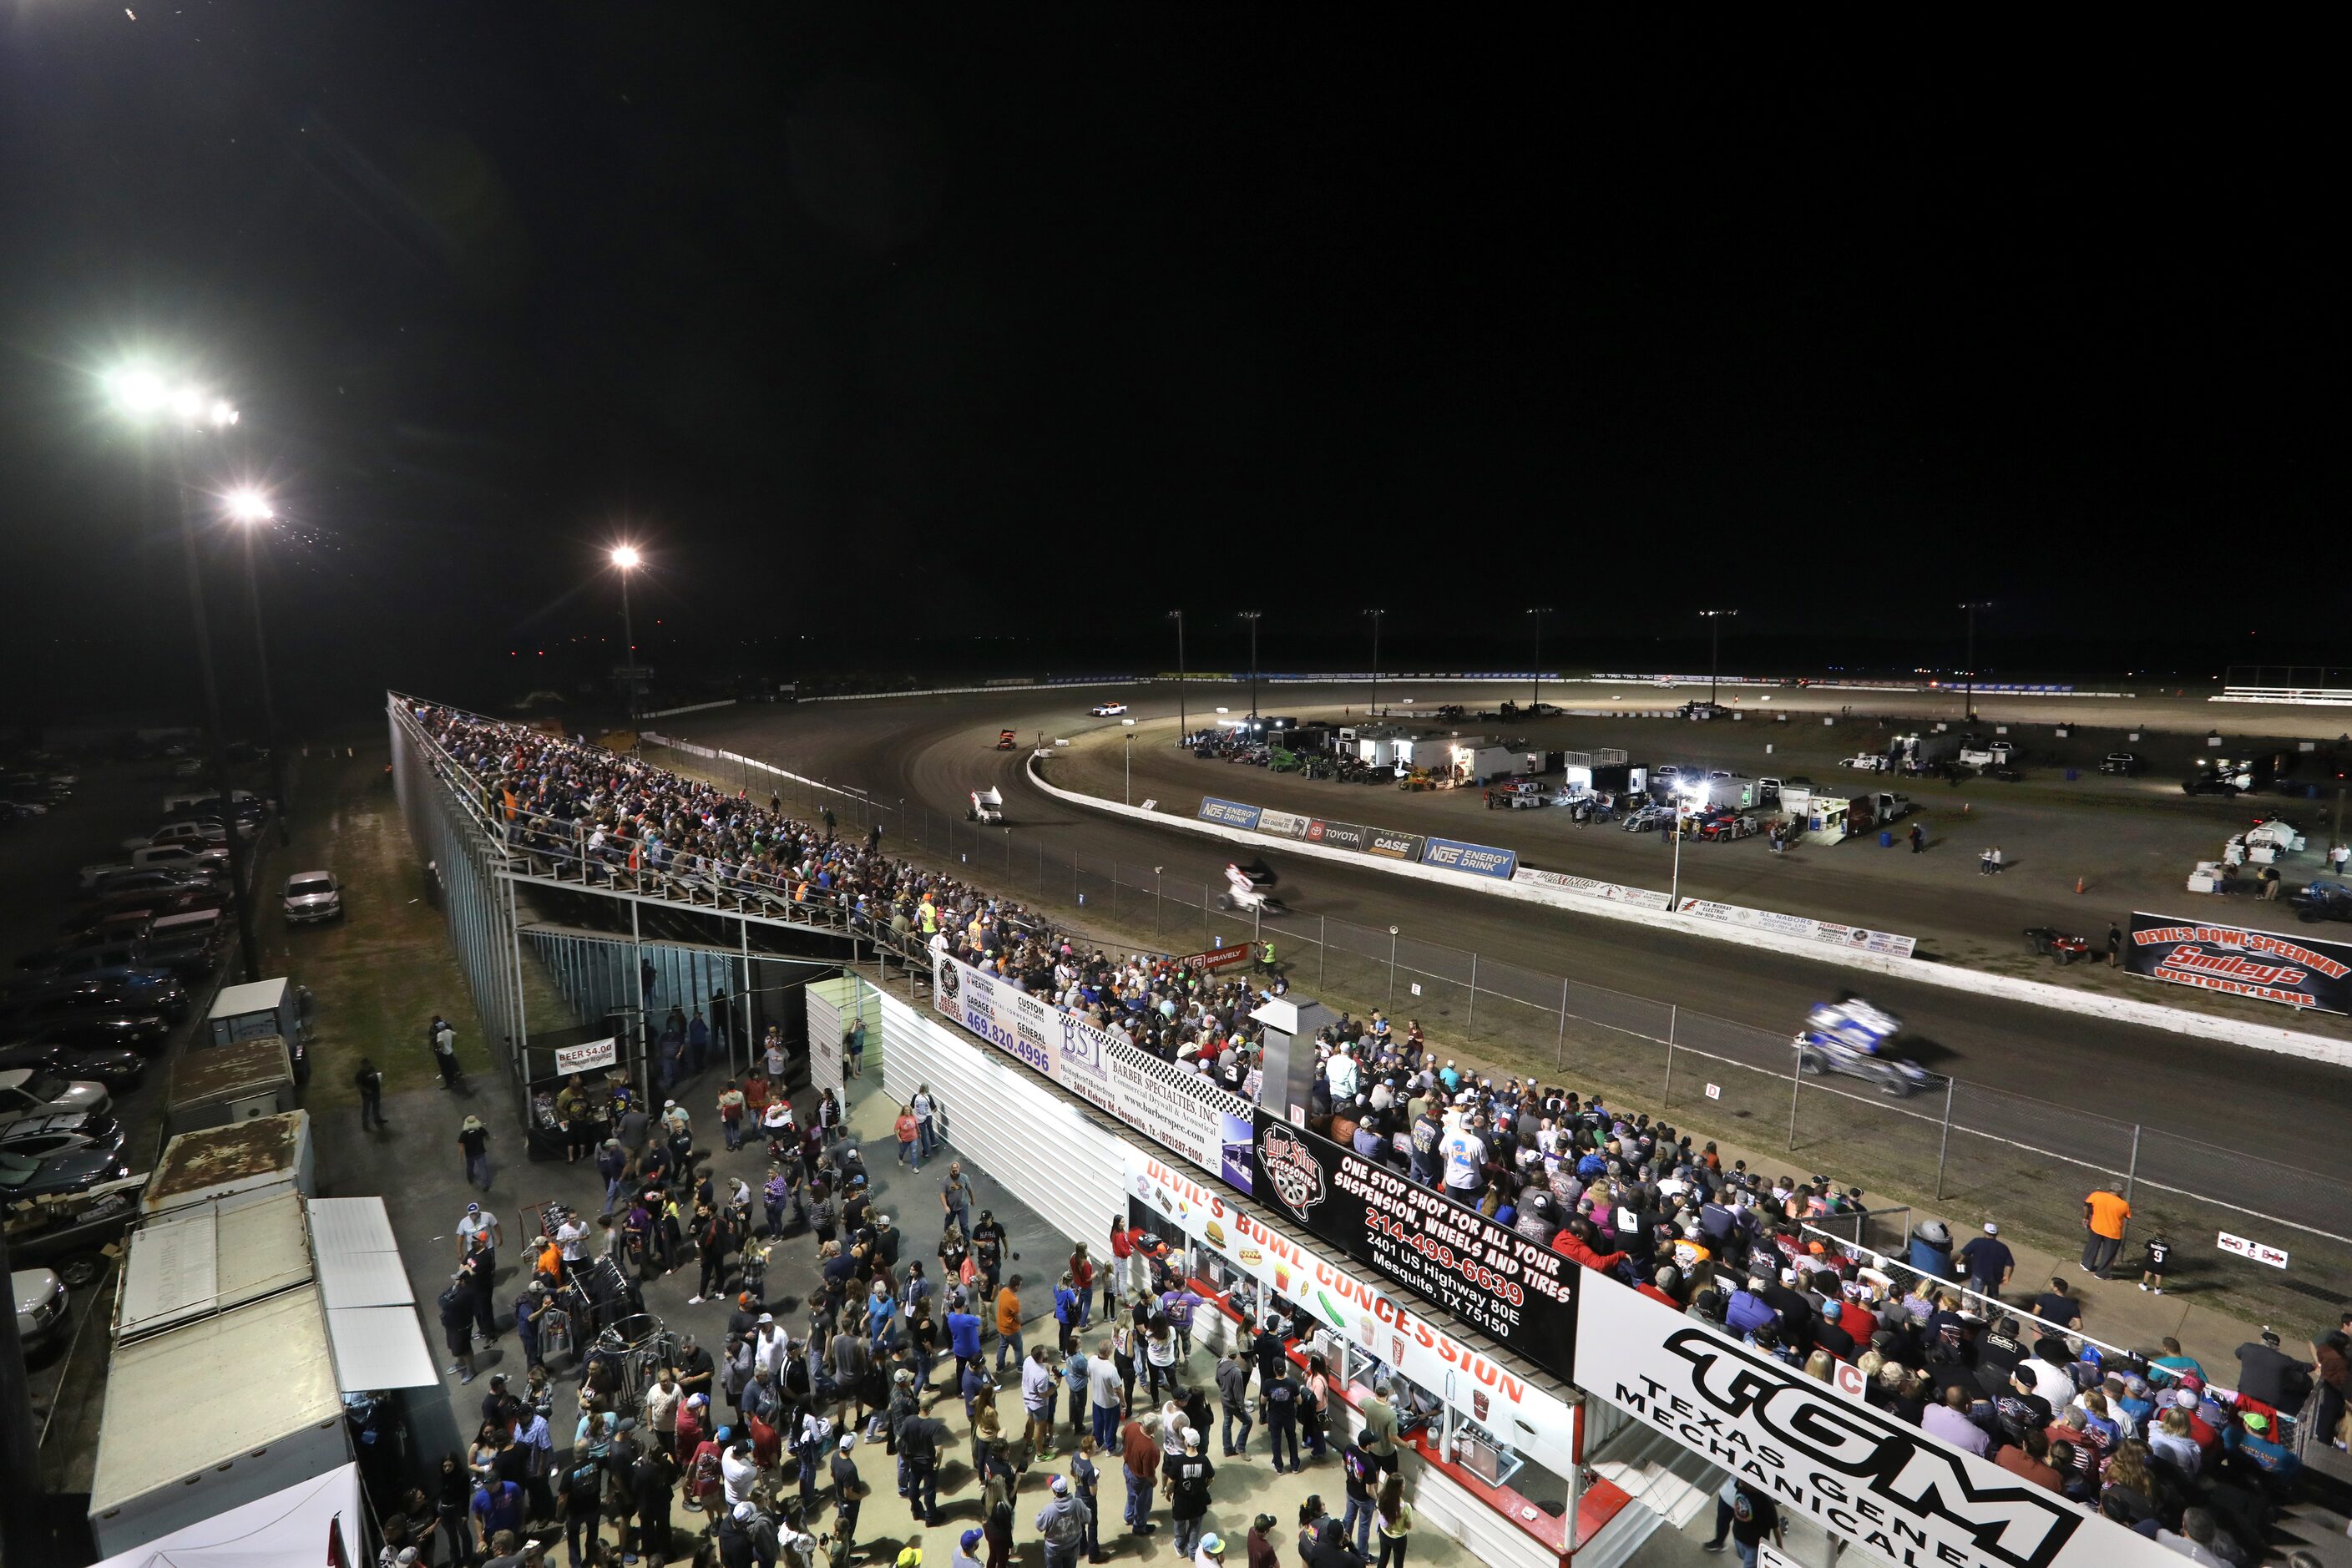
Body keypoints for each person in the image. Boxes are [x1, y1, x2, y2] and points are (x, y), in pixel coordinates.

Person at [1165, 1430, 1215, 1563]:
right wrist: (1205, 1487)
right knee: (1195, 1526)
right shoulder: (1204, 1459)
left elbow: (1171, 1481)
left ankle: (1180, 1548)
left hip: (1181, 1501)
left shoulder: (1179, 1461)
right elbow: (1211, 1478)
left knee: (1179, 1525)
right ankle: (1193, 1552)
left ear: (1187, 1442)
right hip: (1198, 1501)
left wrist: (1168, 1492)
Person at [1035, 1472, 1090, 1568]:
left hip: (1054, 1549)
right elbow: (1088, 1517)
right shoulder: (1078, 1504)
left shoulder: (1049, 1510)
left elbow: (1039, 1525)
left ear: (1055, 1492)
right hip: (1073, 1546)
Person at [1120, 1412, 1161, 1535]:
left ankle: (1128, 1516)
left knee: (1131, 1494)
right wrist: (1154, 1481)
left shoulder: (1131, 1426)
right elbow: (1148, 1473)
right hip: (1140, 1478)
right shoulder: (1150, 1449)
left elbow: (1123, 1436)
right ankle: (1139, 1527)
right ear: (1153, 1428)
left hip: (1127, 1468)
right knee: (1143, 1503)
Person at [1340, 1437, 1378, 1556]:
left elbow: (1343, 1465)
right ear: (1368, 1446)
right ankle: (1363, 1554)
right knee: (1364, 1526)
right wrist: (1375, 1498)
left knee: (1349, 1519)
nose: (1374, 1444)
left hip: (1350, 1491)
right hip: (1364, 1500)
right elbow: (1369, 1490)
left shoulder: (1349, 1448)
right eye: (1373, 1442)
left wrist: (1352, 1477)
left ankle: (1344, 1543)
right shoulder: (1370, 1464)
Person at [1216, 1344, 1254, 1457]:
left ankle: (1227, 1449)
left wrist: (1224, 1390)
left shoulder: (1220, 1364)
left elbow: (1217, 1380)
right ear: (1236, 1355)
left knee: (1227, 1422)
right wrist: (1241, 1407)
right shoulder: (1236, 1372)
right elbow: (1238, 1393)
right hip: (1233, 1403)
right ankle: (1240, 1448)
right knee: (1248, 1422)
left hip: (1224, 1398)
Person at [2081, 1186, 2129, 1276]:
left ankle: (2086, 1264)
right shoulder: (2123, 1204)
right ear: (2120, 1193)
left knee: (2092, 1246)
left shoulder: (2097, 1195)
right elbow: (2127, 1215)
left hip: (2097, 1227)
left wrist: (2086, 1217)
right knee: (2108, 1254)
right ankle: (2102, 1273)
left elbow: (2086, 1205)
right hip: (2113, 1232)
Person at [1959, 1222, 2014, 1297]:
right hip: (1995, 1277)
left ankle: (1972, 1308)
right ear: (1996, 1234)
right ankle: (1991, 1309)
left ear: (1985, 1232)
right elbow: (2010, 1264)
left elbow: (1964, 1253)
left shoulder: (1977, 1242)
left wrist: (1960, 1261)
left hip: (1979, 1275)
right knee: (1992, 1299)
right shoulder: (2003, 1248)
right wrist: (2007, 1276)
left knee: (1974, 1297)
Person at [1371, 1475, 1411, 1568]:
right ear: (1400, 1488)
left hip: (1384, 1533)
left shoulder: (1381, 1497)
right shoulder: (1406, 1507)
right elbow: (1408, 1526)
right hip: (1399, 1539)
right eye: (1403, 1484)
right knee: (1398, 1563)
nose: (1405, 1485)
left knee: (1383, 1559)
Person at [996, 1275, 1027, 1371]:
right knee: (1018, 1348)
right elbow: (1018, 1317)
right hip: (1011, 1330)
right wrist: (1022, 1321)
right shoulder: (1013, 1300)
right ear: (1016, 1286)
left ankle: (1000, 1367)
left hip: (1001, 1327)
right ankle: (1020, 1367)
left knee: (1002, 1346)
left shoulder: (1003, 1290)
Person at [460, 1114, 493, 1191]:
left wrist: (460, 1155)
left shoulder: (464, 1133)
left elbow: (461, 1144)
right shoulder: (480, 1129)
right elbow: (487, 1137)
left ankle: (470, 1178)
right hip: (480, 1152)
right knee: (482, 1168)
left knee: (470, 1166)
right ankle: (485, 1185)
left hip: (470, 1154)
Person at [357, 1058, 388, 1130]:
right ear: (362, 1064)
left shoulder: (372, 1069)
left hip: (376, 1092)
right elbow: (358, 1084)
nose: (367, 1064)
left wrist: (379, 1079)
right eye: (365, 1063)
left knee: (376, 1106)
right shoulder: (360, 1074)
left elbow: (377, 1076)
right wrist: (366, 1090)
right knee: (366, 1109)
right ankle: (365, 1124)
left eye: (368, 1063)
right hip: (367, 1095)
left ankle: (377, 1119)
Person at [2137, 1230, 2172, 1294]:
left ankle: (2144, 1285)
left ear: (2155, 1234)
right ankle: (2158, 1289)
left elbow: (2146, 1247)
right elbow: (2169, 1254)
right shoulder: (2166, 1246)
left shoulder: (2150, 1242)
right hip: (2160, 1264)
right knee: (2158, 1275)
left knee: (2148, 1272)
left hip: (2150, 1261)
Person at [432, 1014, 463, 1089]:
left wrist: (440, 1049)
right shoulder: (449, 1031)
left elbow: (440, 1042)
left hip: (444, 1053)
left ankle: (449, 1083)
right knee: (451, 1066)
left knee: (445, 1069)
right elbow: (455, 1034)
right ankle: (455, 1079)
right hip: (450, 1051)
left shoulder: (440, 1034)